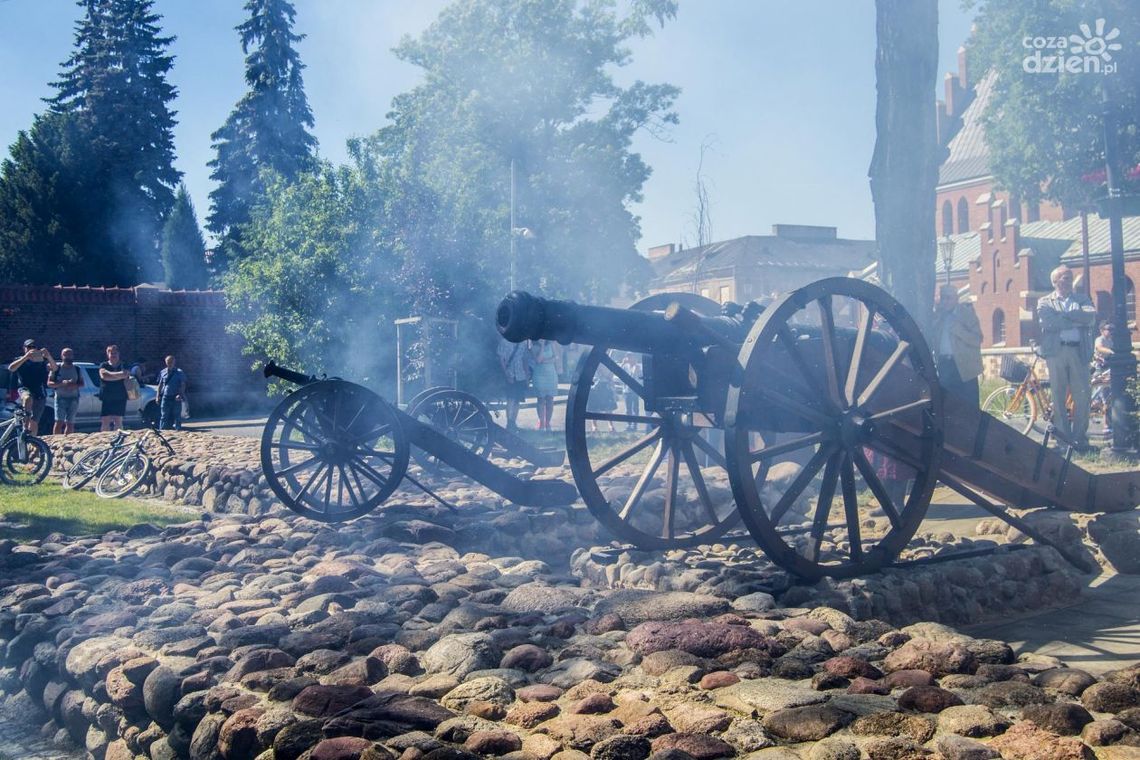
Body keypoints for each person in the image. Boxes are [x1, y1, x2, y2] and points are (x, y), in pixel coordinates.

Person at [1037, 265, 1096, 448]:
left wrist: (1064, 317)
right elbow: (1049, 322)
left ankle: (1079, 438)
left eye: (1070, 277)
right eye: (1064, 278)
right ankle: (1063, 438)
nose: (1069, 281)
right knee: (1058, 394)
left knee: (1083, 395)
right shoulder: (1045, 301)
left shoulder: (1082, 298)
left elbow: (1090, 317)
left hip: (1079, 351)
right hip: (1056, 352)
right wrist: (1075, 319)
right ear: (1055, 282)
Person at [931, 284, 983, 404]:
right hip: (945, 365)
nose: (945, 301)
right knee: (948, 403)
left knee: (969, 404)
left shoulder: (967, 314)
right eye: (943, 298)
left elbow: (977, 340)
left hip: (964, 367)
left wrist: (959, 331)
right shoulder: (938, 316)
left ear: (956, 298)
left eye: (948, 298)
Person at [7, 338, 56, 435]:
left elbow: (54, 368)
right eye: (29, 347)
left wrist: (48, 356)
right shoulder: (19, 359)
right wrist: (26, 357)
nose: (31, 349)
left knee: (34, 422)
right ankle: (25, 426)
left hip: (39, 390)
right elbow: (11, 368)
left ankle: (33, 443)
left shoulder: (41, 361)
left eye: (33, 347)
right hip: (24, 388)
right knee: (28, 398)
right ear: (24, 348)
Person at [497, 335, 530, 431]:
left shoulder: (523, 342)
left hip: (521, 374)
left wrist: (527, 376)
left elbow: (525, 360)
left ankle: (513, 422)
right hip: (510, 374)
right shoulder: (504, 341)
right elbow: (501, 360)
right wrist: (507, 374)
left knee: (517, 400)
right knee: (510, 399)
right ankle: (509, 422)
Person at [48, 347, 84, 435]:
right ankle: (56, 441)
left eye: (70, 355)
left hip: (74, 398)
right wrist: (61, 384)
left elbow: (82, 384)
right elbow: (49, 383)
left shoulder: (77, 369)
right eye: (66, 355)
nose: (68, 357)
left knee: (70, 423)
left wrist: (74, 385)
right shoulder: (56, 368)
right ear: (62, 356)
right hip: (60, 398)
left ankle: (68, 440)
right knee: (59, 422)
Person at [530, 339, 560, 431]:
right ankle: (541, 422)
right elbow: (538, 360)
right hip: (539, 375)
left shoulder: (552, 343)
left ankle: (547, 422)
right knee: (541, 399)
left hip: (551, 374)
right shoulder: (533, 346)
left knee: (550, 399)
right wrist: (542, 346)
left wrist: (547, 361)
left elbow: (557, 357)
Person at [99, 344, 130, 432]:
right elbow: (104, 376)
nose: (113, 355)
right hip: (107, 396)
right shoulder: (103, 365)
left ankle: (118, 438)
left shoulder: (124, 365)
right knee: (105, 420)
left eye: (115, 353)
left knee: (118, 420)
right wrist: (119, 375)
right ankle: (105, 439)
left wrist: (110, 375)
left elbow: (126, 374)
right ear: (107, 354)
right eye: (111, 353)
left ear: (118, 354)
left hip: (120, 396)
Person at [1092, 321, 1114, 432]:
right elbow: (1099, 348)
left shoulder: (1111, 340)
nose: (1110, 331)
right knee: (1104, 396)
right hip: (1100, 369)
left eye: (1111, 329)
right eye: (1108, 329)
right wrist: (1111, 351)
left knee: (1108, 396)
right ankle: (1106, 425)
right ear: (1101, 330)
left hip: (1108, 369)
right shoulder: (1099, 339)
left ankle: (1108, 422)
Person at [156, 355, 188, 430]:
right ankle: (163, 430)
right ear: (165, 362)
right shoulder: (162, 372)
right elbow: (160, 385)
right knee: (164, 415)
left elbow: (183, 384)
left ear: (174, 362)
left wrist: (180, 394)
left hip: (175, 397)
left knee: (177, 415)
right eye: (168, 362)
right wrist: (157, 396)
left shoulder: (179, 372)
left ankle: (178, 429)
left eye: (171, 362)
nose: (169, 363)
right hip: (166, 396)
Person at [620, 354, 641, 429]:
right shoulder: (625, 366)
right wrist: (622, 363)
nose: (628, 358)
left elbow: (636, 376)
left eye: (630, 357)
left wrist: (635, 366)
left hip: (635, 390)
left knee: (635, 408)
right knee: (628, 408)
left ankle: (635, 425)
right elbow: (619, 373)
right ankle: (629, 424)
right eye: (627, 357)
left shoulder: (637, 366)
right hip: (627, 390)